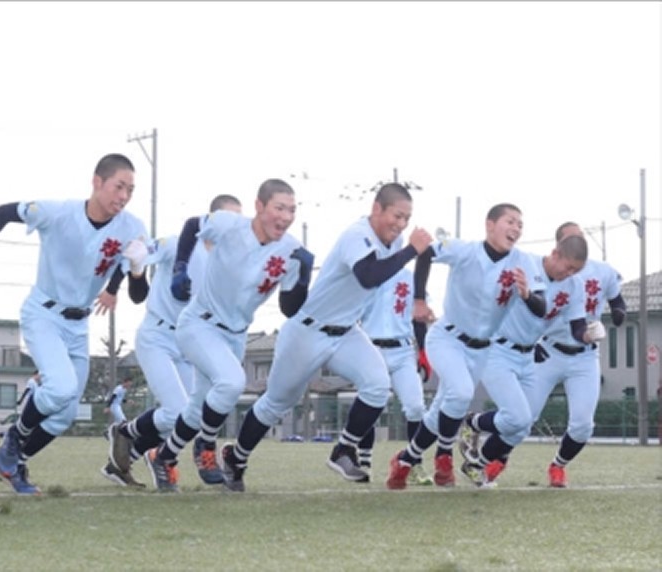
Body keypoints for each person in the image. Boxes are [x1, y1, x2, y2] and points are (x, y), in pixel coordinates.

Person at [218, 183, 431, 492]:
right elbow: (368, 275)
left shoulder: (396, 240)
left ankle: (344, 449)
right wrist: (411, 250)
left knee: (377, 386)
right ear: (376, 209)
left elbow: (422, 255)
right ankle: (236, 457)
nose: (401, 225)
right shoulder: (357, 234)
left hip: (346, 332)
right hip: (309, 330)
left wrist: (420, 293)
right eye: (396, 216)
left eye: (406, 219)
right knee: (277, 403)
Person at [0, 153, 149, 495]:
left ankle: (13, 464)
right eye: (118, 186)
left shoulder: (132, 228)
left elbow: (139, 296)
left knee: (64, 414)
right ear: (97, 182)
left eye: (131, 190)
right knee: (60, 389)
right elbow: (4, 212)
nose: (124, 196)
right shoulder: (58, 213)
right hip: (44, 314)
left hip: (79, 325)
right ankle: (13, 440)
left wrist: (137, 270)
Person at [144, 179, 313, 492]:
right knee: (232, 383)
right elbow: (192, 225)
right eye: (279, 208)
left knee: (198, 408)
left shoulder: (290, 250)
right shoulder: (229, 225)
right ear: (259, 206)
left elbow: (289, 308)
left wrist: (302, 278)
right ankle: (206, 446)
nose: (286, 217)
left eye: (292, 210)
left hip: (236, 335)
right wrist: (180, 267)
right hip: (199, 324)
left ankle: (163, 456)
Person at [387, 203, 536, 490]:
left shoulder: (523, 262)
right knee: (461, 392)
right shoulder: (464, 250)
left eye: (520, 224)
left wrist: (528, 294)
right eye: (510, 221)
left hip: (482, 348)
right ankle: (444, 457)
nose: (516, 228)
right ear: (489, 224)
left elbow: (539, 303)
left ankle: (405, 460)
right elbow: (427, 252)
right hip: (448, 338)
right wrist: (419, 300)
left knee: (439, 412)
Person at [465, 222, 625, 488]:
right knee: (522, 419)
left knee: (582, 425)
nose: (572, 271)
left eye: (579, 242)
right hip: (544, 350)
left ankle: (556, 465)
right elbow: (528, 305)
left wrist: (590, 334)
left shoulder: (580, 280)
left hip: (584, 357)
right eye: (570, 243)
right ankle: (483, 443)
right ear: (557, 249)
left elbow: (580, 326)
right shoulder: (530, 266)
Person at [103, 194, 243, 488]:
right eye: (230, 218)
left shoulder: (229, 262)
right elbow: (139, 256)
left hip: (190, 341)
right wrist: (132, 267)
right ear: (213, 220)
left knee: (193, 415)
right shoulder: (179, 244)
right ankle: (125, 432)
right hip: (157, 336)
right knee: (176, 411)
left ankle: (130, 457)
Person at [355, 265, 432, 485]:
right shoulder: (366, 274)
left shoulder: (411, 278)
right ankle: (364, 462)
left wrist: (423, 351)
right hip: (371, 348)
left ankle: (412, 462)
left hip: (403, 350)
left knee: (416, 406)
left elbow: (418, 318)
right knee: (370, 404)